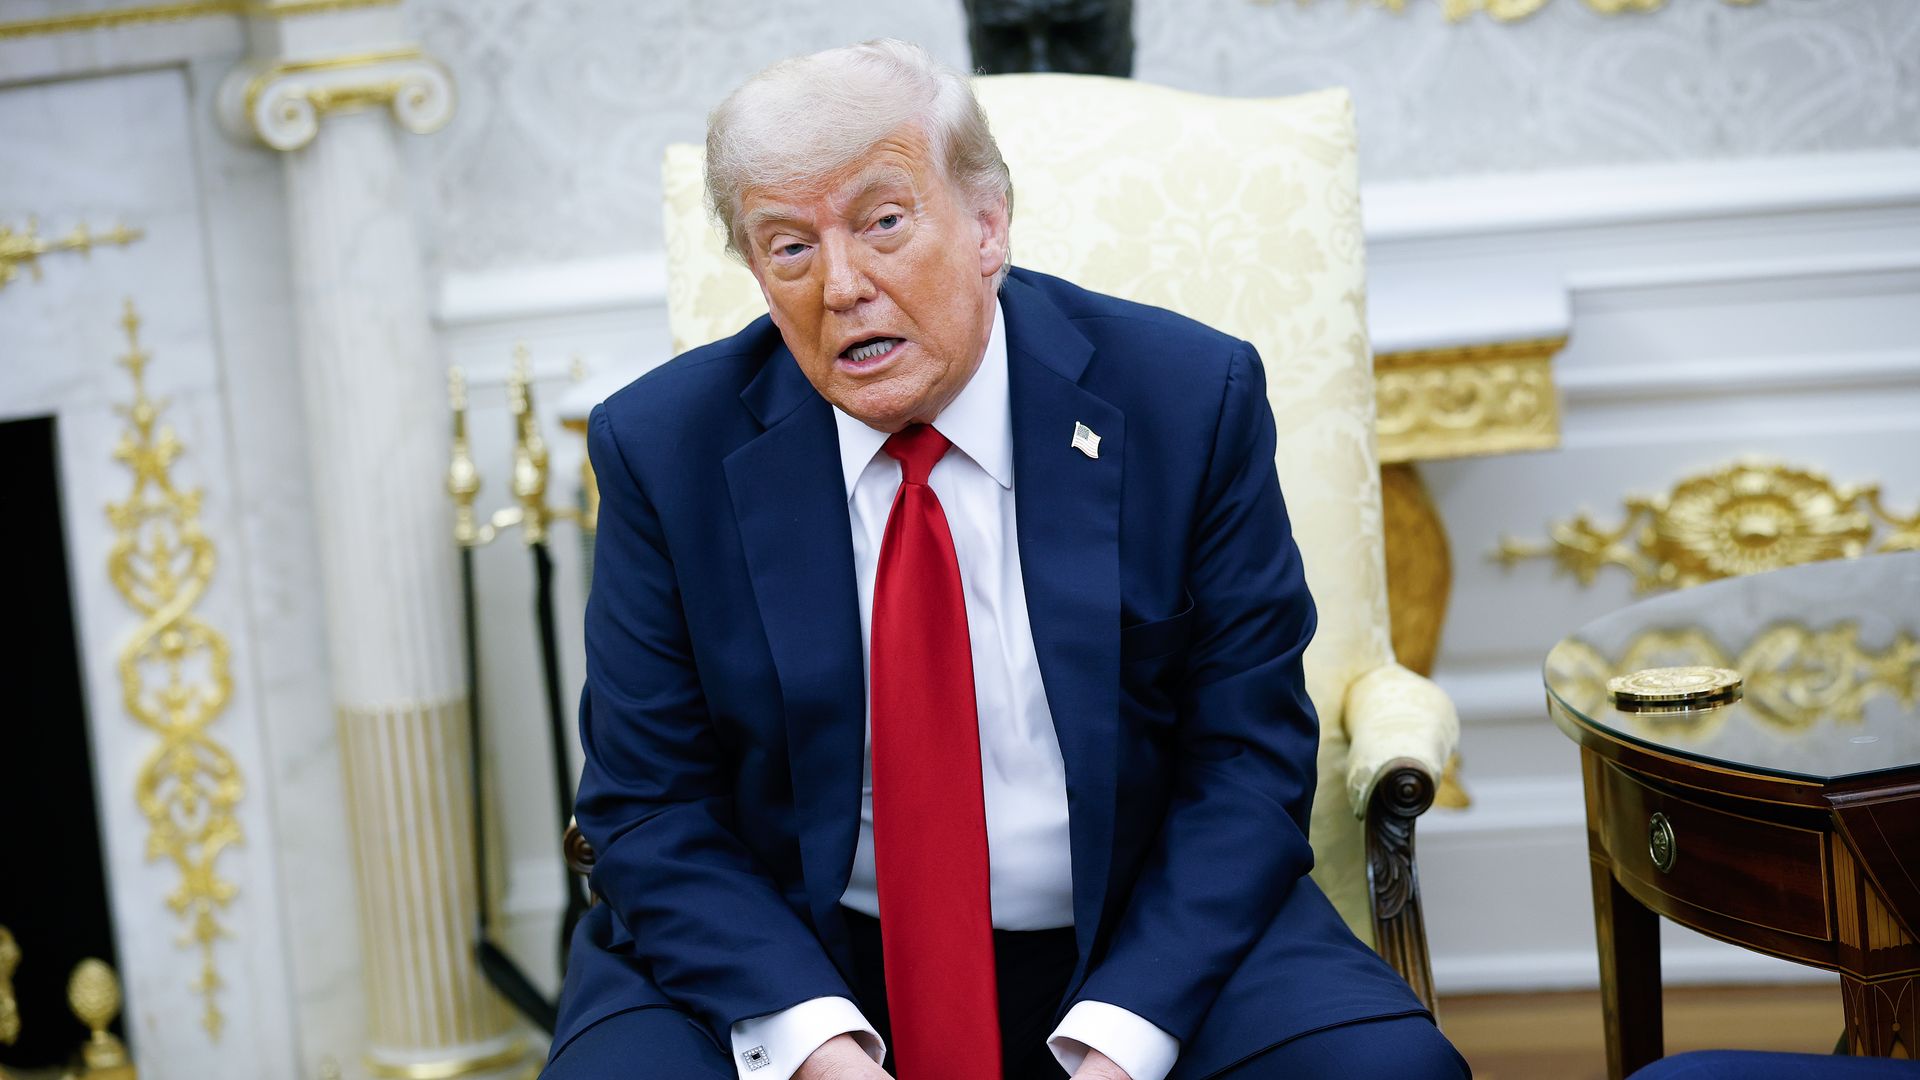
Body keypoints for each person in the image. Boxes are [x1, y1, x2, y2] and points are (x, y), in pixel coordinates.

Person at [545, 38, 1468, 1080]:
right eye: (788, 247)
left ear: (988, 227)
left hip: (1134, 925)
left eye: (883, 223)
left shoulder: (1183, 401)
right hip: (794, 943)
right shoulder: (666, 451)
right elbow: (650, 803)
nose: (841, 285)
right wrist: (812, 1045)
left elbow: (1245, 759)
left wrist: (1123, 1039)